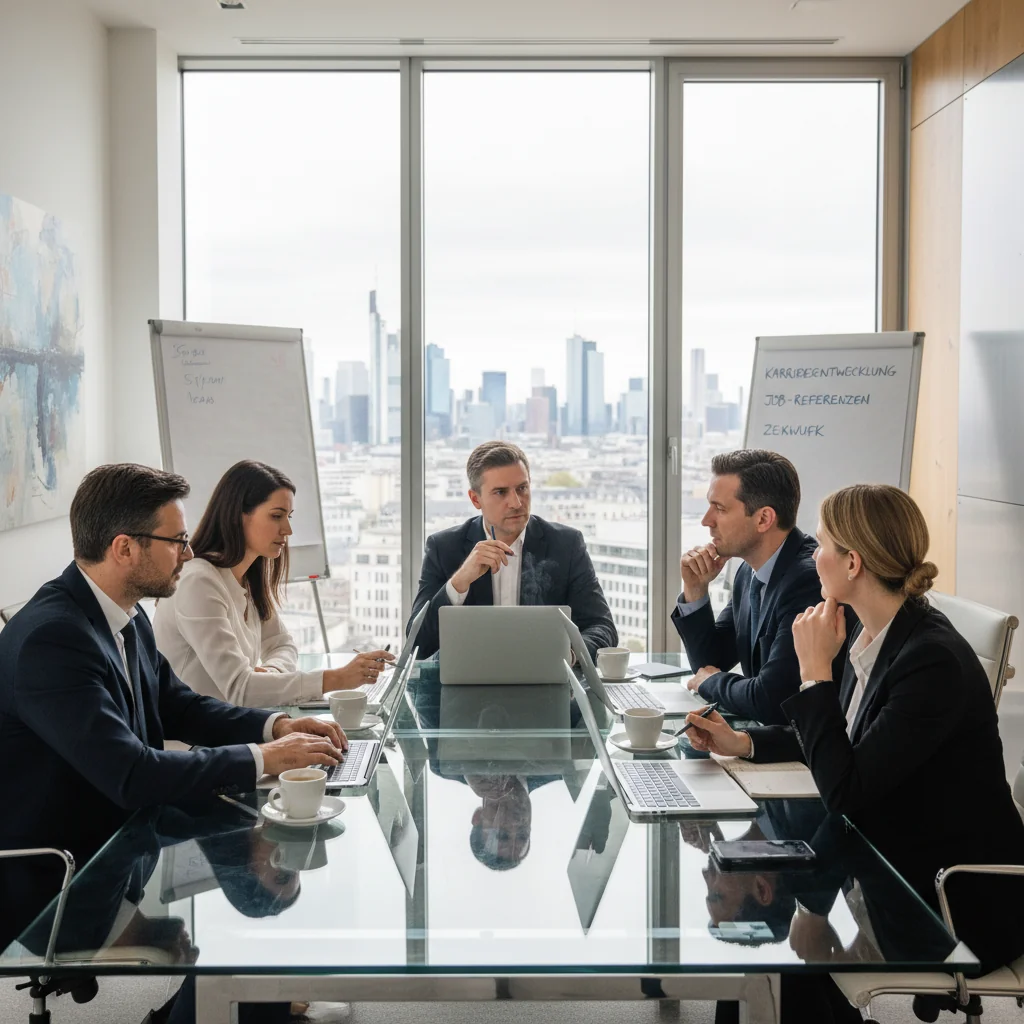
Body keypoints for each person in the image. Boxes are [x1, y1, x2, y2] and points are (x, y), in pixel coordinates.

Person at [683, 483, 1024, 976]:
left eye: (821, 545)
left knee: (777, 954)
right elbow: (847, 741)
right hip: (883, 850)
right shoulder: (873, 633)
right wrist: (747, 742)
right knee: (774, 913)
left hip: (946, 900)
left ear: (853, 563)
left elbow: (846, 789)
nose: (811, 555)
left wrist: (815, 673)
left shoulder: (930, 661)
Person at [0, 463, 347, 943]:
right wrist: (265, 758)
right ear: (125, 548)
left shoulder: (124, 615)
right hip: (64, 873)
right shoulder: (53, 640)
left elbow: (183, 708)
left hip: (127, 833)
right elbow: (132, 774)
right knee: (233, 922)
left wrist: (278, 727)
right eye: (177, 541)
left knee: (261, 835)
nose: (188, 554)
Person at [154, 460, 393, 707]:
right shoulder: (197, 582)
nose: (288, 530)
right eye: (276, 516)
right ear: (238, 516)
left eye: (288, 517)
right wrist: (337, 678)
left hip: (232, 728)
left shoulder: (246, 578)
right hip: (194, 741)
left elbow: (282, 644)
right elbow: (241, 689)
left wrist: (271, 675)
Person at [672, 449, 855, 725]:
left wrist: (710, 682)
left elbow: (772, 699)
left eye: (719, 508)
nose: (706, 521)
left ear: (763, 519)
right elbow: (709, 662)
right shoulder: (749, 572)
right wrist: (695, 589)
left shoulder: (807, 581)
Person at [410, 441, 617, 661]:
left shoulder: (566, 544)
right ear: (475, 499)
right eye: (500, 492)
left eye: (522, 488)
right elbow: (417, 645)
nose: (516, 502)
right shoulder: (443, 547)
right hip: (468, 687)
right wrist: (458, 582)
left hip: (545, 685)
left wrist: (569, 655)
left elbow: (603, 628)